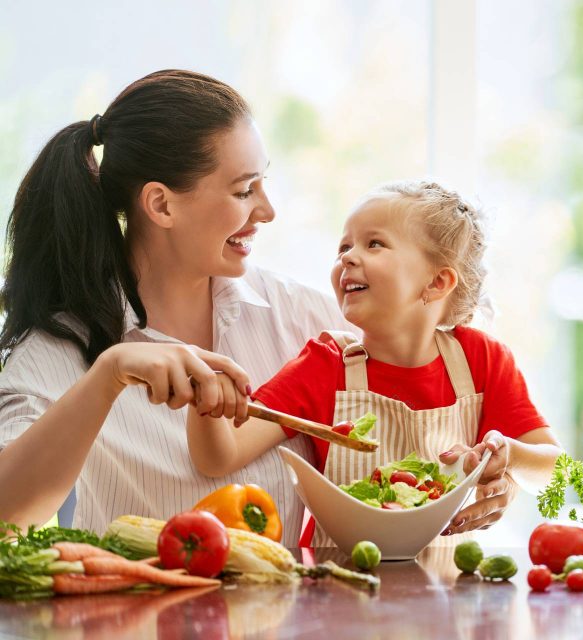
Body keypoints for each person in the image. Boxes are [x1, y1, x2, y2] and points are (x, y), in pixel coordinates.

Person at [0, 70, 352, 546]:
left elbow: (410, 403)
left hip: (303, 618)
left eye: (262, 183)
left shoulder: (299, 317)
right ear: (162, 205)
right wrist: (108, 376)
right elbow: (8, 515)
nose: (267, 211)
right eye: (244, 190)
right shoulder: (60, 347)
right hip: (135, 618)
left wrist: (478, 468)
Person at [187, 180, 563, 546]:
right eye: (344, 246)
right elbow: (219, 456)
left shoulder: (481, 360)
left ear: (436, 282)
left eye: (375, 244)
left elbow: (554, 471)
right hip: (338, 586)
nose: (347, 257)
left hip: (447, 593)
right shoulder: (325, 364)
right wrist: (202, 394)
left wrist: (509, 456)